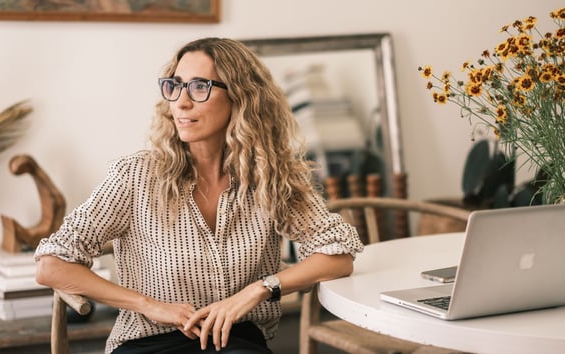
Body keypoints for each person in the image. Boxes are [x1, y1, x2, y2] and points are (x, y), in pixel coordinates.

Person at [35, 37, 364, 354]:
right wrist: (150, 306)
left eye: (199, 86)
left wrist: (260, 289)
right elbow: (52, 265)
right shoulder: (135, 176)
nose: (181, 101)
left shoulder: (269, 175)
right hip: (149, 343)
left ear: (241, 96)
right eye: (175, 85)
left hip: (233, 341)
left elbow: (338, 254)